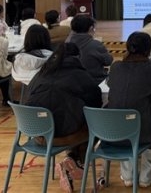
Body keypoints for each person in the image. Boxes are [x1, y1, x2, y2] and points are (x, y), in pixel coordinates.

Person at [27, 43, 102, 193]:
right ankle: (74, 160)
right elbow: (96, 102)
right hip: (63, 137)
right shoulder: (79, 75)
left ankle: (73, 161)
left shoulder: (41, 74)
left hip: (38, 135)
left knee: (72, 119)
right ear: (78, 57)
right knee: (94, 127)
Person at [106, 31, 151, 188]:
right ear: (148, 49)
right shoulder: (150, 67)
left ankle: (128, 176)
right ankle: (147, 177)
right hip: (145, 131)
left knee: (126, 116)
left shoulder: (116, 67)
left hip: (114, 130)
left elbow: (110, 83)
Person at [66, 15, 112, 85]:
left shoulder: (66, 44)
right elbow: (108, 61)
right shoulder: (96, 45)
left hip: (72, 83)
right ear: (91, 28)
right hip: (95, 82)